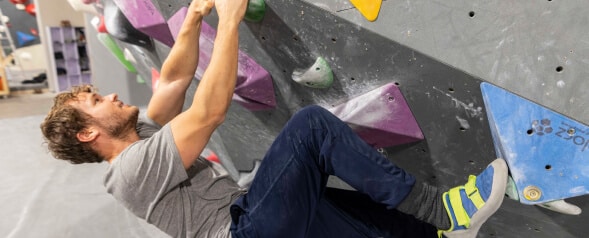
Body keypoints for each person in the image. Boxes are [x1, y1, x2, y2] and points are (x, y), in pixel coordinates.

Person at [40, 0, 508, 237]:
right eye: (97, 100)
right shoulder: (130, 172)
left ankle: (434, 230)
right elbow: (210, 109)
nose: (112, 95)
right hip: (244, 232)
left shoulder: (142, 137)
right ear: (88, 132)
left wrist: (195, 15)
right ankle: (444, 211)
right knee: (310, 128)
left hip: (258, 221)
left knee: (337, 204)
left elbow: (175, 80)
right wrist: (228, 18)